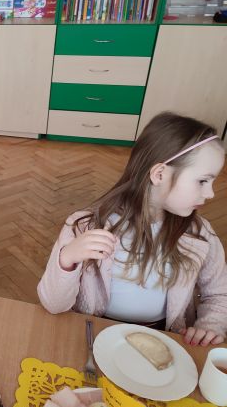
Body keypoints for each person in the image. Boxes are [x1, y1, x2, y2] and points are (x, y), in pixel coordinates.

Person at [38, 112, 227, 346]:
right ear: (159, 174)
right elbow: (53, 304)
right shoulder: (85, 225)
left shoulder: (201, 234)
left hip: (164, 338)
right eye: (202, 181)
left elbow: (219, 294)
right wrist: (67, 259)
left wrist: (211, 324)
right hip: (93, 333)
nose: (211, 193)